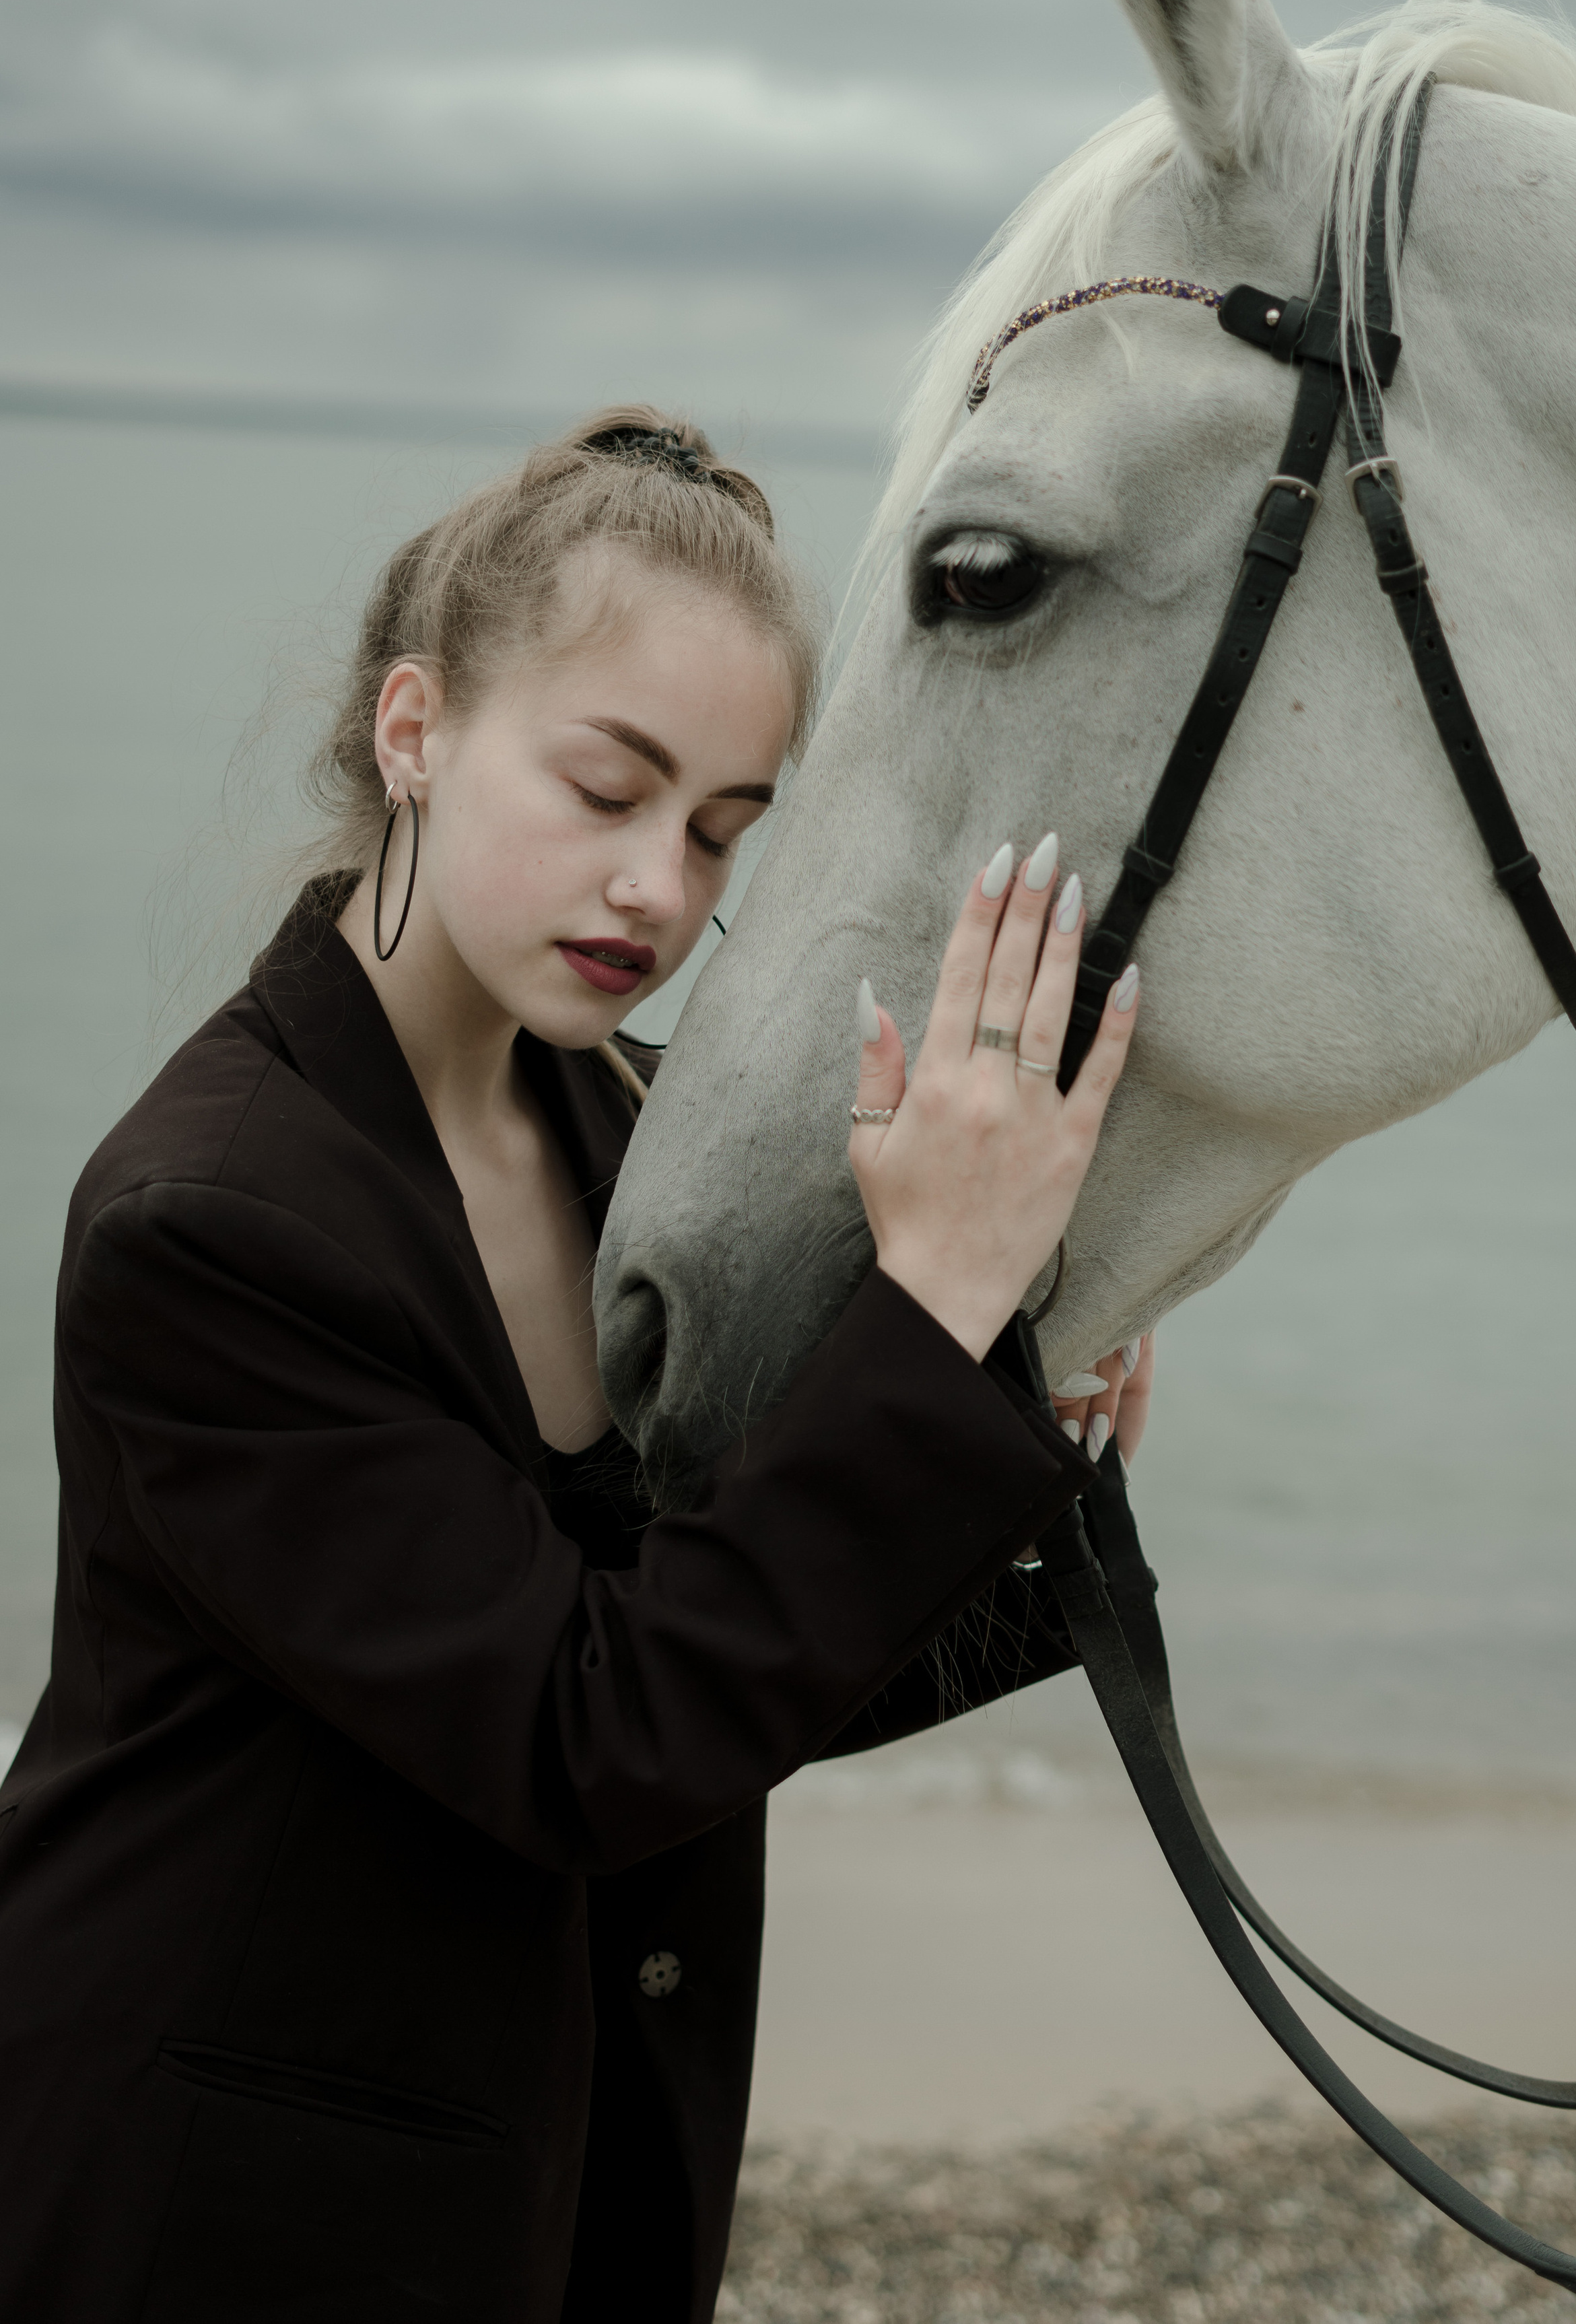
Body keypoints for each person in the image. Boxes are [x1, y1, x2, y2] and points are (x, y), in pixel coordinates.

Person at [0, 409, 1147, 2324]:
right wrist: (925, 1318)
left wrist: (1017, 1414)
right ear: (416, 731)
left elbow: (719, 1674)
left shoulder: (633, 1133)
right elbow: (588, 1738)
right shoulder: (212, 1229)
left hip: (544, 2154)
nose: (659, 893)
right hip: (197, 2184)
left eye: (719, 831)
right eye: (607, 789)